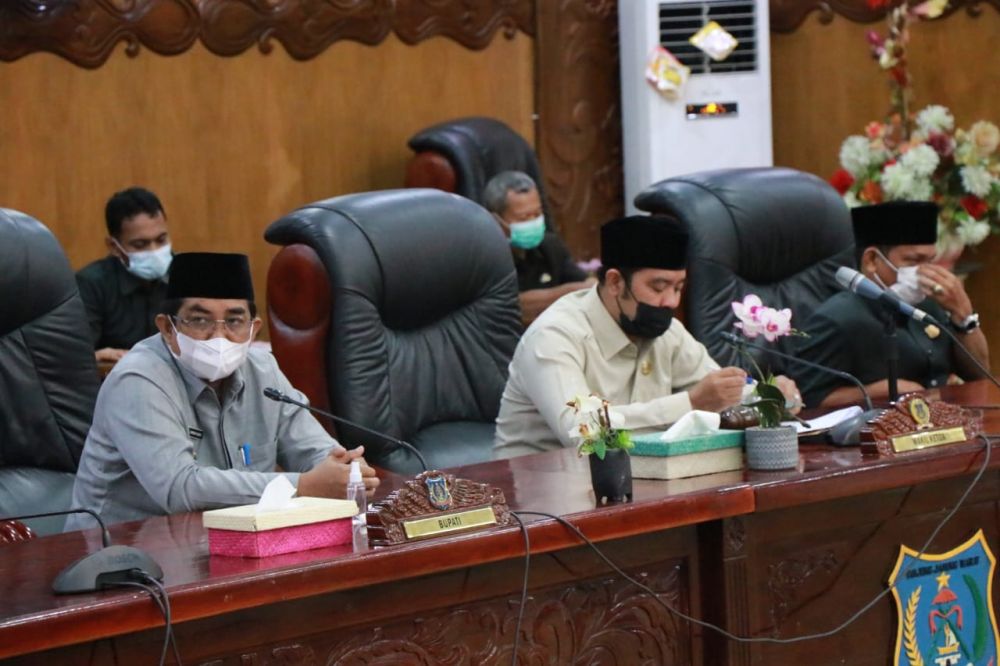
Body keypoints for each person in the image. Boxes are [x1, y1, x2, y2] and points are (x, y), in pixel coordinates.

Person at [67, 252, 379, 529]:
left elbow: (313, 450)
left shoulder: (263, 370)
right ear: (167, 328)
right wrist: (303, 486)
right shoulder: (137, 379)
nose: (219, 336)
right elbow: (180, 488)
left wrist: (346, 472)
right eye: (199, 320)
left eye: (234, 321)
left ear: (253, 329)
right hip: (118, 555)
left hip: (221, 543)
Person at [493, 215, 801, 458]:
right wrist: (691, 403)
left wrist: (770, 396)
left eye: (678, 288)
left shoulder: (664, 331)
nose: (671, 302)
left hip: (632, 484)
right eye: (658, 287)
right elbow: (583, 433)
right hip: (538, 497)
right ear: (615, 282)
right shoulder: (555, 335)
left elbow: (720, 394)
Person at [796, 201, 989, 407]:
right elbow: (806, 401)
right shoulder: (836, 319)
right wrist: (881, 391)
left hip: (943, 420)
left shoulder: (930, 305)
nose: (925, 273)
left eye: (929, 261)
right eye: (913, 261)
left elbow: (981, 377)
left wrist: (963, 315)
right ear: (871, 260)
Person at [483, 171, 595, 324]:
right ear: (496, 220)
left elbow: (589, 284)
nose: (533, 222)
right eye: (524, 217)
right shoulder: (485, 258)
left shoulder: (550, 245)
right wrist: (572, 292)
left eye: (537, 214)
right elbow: (513, 306)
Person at [76, 187, 172, 363]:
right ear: (114, 247)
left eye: (161, 240)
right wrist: (96, 357)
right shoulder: (91, 284)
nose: (154, 251)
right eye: (140, 244)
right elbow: (73, 356)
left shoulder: (187, 274)